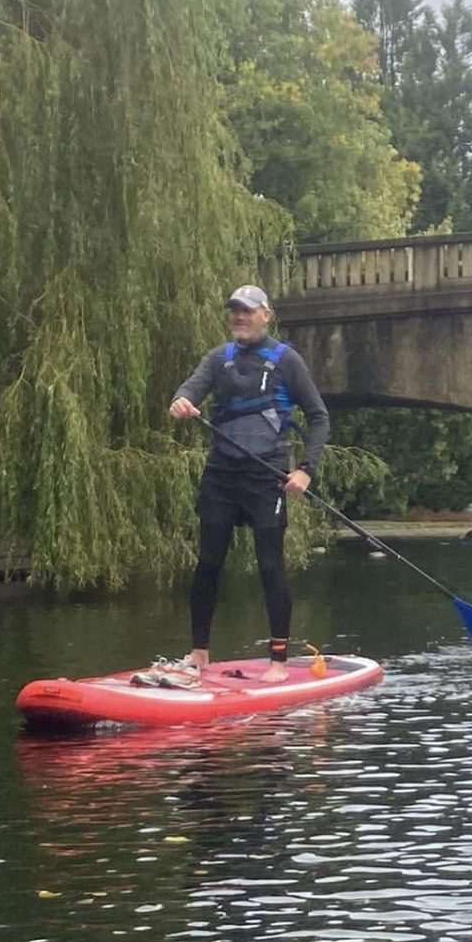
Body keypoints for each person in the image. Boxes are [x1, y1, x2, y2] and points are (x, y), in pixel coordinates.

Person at [168, 285, 330, 683]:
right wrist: (181, 401)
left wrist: (305, 469)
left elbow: (318, 416)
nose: (239, 317)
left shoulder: (285, 360)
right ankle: (198, 654)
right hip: (222, 474)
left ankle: (278, 662)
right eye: (235, 311)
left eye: (248, 311)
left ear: (265, 315)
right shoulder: (217, 359)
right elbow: (190, 388)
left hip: (266, 476)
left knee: (270, 566)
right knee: (207, 563)